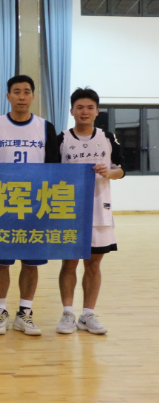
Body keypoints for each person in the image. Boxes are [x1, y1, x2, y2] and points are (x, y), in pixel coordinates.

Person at [0, 75, 60, 336]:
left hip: (35, 205)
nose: (21, 96)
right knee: (1, 262)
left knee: (31, 262)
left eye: (27, 92)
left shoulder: (45, 127)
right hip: (2, 204)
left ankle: (25, 313)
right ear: (8, 96)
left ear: (33, 96)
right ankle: (0, 313)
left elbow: (53, 168)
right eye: (16, 92)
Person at [56, 88, 124, 335]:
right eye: (80, 107)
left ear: (96, 111)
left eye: (90, 107)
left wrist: (109, 172)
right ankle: (67, 313)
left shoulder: (108, 137)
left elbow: (120, 170)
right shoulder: (62, 139)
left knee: (93, 264)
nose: (84, 111)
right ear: (72, 111)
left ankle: (87, 314)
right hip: (69, 210)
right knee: (69, 262)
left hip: (99, 209)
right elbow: (50, 173)